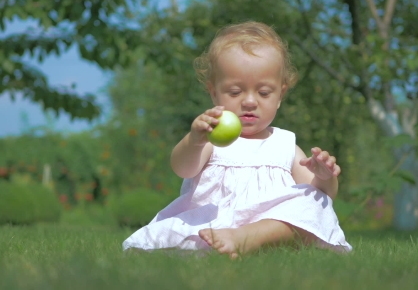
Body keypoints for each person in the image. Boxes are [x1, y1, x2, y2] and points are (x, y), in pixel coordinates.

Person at [122, 21, 352, 258]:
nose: (250, 101)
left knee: (314, 207)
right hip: (216, 224)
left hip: (269, 228)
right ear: (214, 92)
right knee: (189, 240)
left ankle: (249, 239)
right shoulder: (210, 139)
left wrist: (325, 178)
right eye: (235, 92)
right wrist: (194, 140)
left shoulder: (285, 145)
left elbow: (319, 196)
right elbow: (183, 168)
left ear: (280, 95)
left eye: (263, 92)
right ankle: (231, 242)